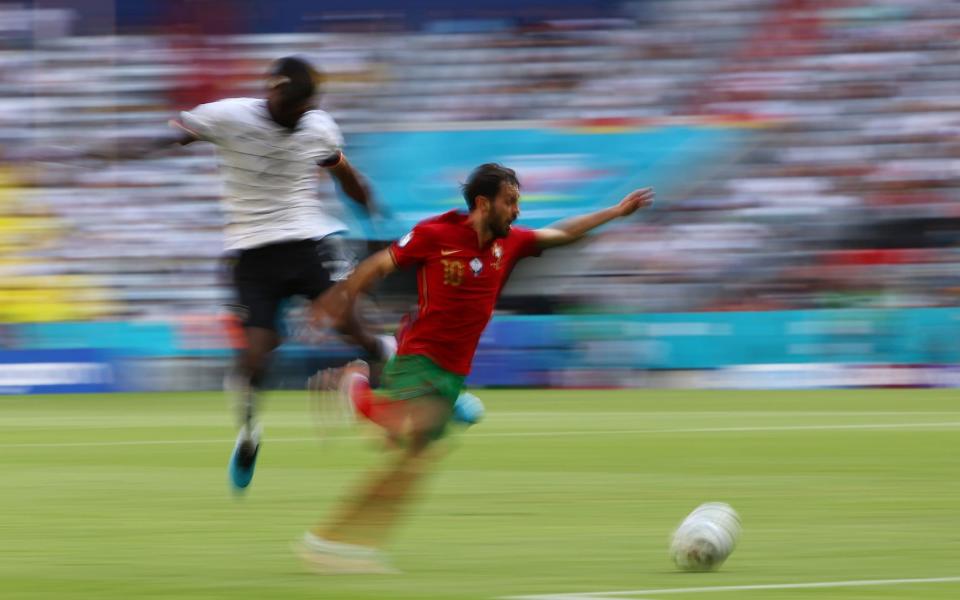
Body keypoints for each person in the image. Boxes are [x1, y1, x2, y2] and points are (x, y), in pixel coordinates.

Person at [304, 162, 654, 572]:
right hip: (419, 356)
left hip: (454, 372)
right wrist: (339, 298)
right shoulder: (436, 234)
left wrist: (615, 211)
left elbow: (563, 233)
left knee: (412, 463)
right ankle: (356, 391)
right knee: (409, 435)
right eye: (511, 202)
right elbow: (380, 264)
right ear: (484, 203)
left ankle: (337, 543)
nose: (517, 211)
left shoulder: (512, 244)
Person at [95, 56, 394, 491]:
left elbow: (344, 174)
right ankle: (249, 434)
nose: (298, 116)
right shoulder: (227, 115)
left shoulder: (318, 126)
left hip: (307, 241)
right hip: (252, 254)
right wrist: (116, 154)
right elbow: (170, 139)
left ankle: (411, 369)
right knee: (255, 357)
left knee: (354, 328)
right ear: (272, 93)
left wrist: (370, 212)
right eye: (291, 107)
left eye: (304, 108)